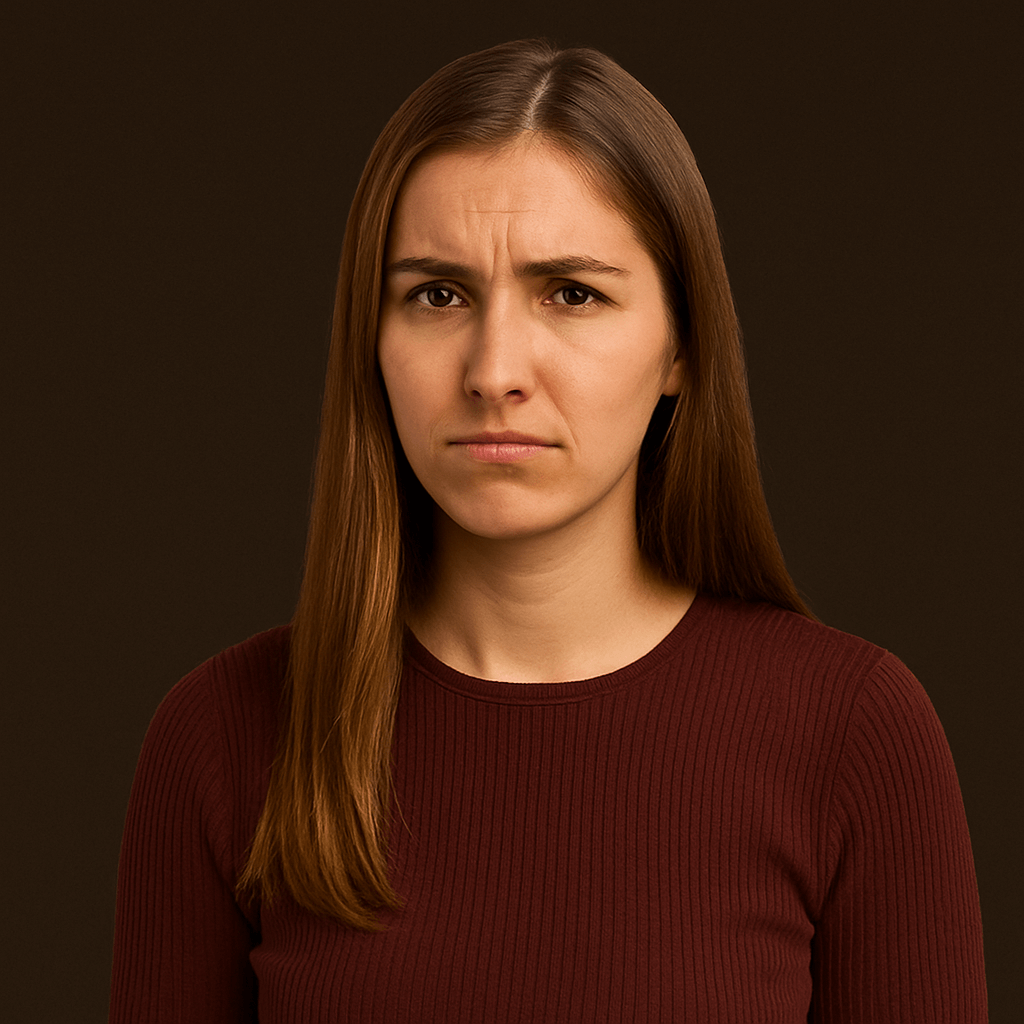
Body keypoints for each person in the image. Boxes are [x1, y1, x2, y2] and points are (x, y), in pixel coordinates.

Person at [109, 39, 987, 1022]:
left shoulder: (853, 736)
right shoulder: (224, 737)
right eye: (436, 295)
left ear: (680, 350)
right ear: (372, 338)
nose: (493, 370)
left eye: (571, 292)